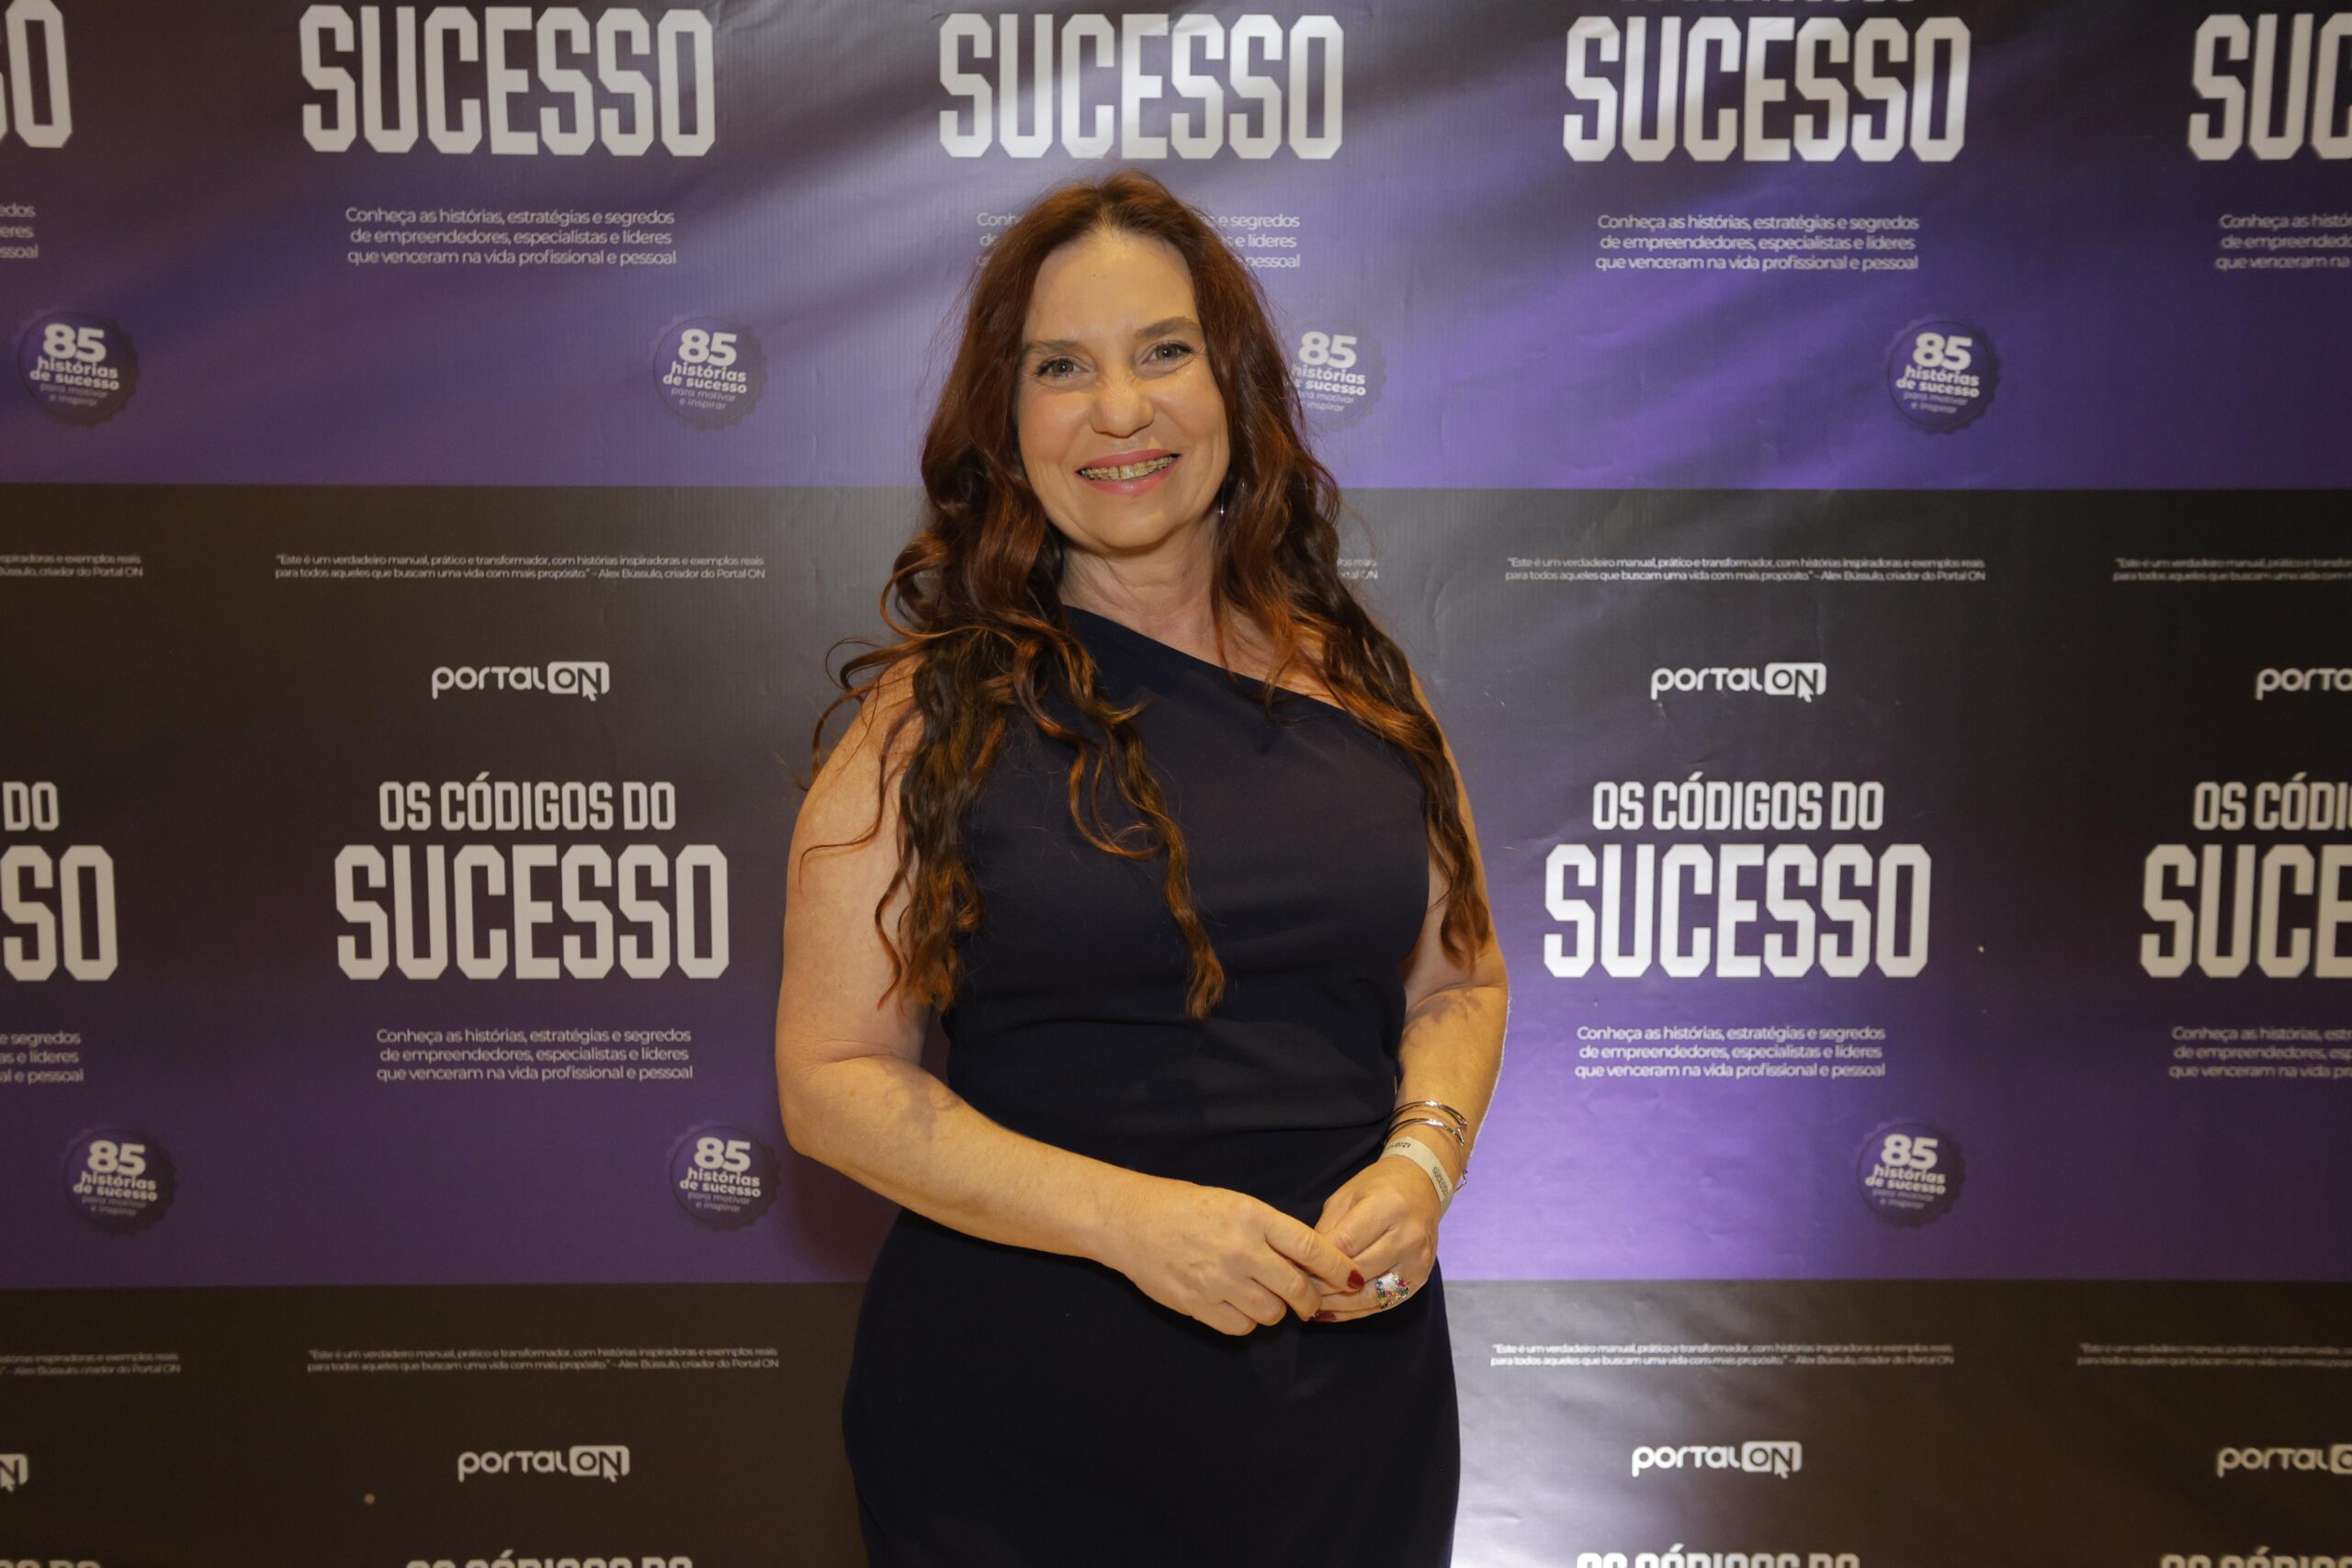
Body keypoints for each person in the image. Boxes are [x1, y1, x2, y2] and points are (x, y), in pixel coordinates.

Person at [772, 168, 1510, 1566]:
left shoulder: (1366, 685)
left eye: (1164, 351)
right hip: (1023, 1424)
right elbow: (833, 1081)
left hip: (1348, 1411)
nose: (1120, 410)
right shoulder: (925, 718)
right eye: (1062, 367)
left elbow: (1458, 979)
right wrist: (1129, 1223)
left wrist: (1424, 1160)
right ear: (1006, 423)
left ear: (1234, 383)